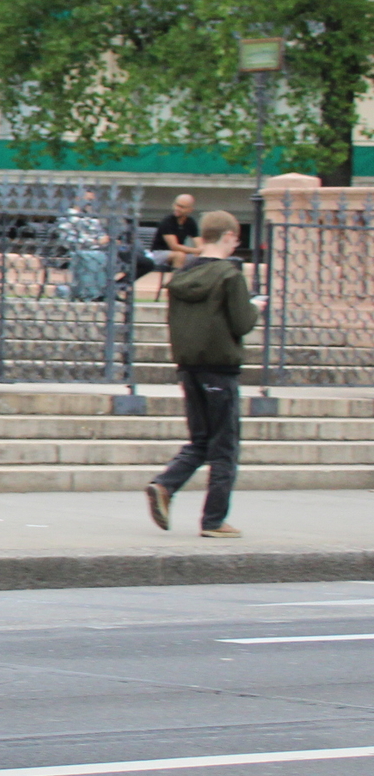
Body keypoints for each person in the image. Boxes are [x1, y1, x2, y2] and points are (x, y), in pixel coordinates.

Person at [145, 209, 258, 539]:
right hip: (220, 369)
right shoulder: (229, 275)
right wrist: (256, 308)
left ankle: (164, 486)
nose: (236, 244)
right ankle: (213, 520)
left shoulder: (182, 274)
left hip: (189, 367)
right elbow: (242, 323)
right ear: (226, 237)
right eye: (236, 239)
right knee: (224, 446)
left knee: (201, 440)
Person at [147, 193, 200, 297]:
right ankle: (175, 286)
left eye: (182, 207)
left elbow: (199, 243)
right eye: (176, 205)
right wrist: (196, 251)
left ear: (190, 210)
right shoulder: (168, 221)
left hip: (179, 255)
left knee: (201, 258)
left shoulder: (190, 222)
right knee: (179, 255)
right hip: (158, 254)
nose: (177, 208)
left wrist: (201, 252)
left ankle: (194, 287)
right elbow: (174, 246)